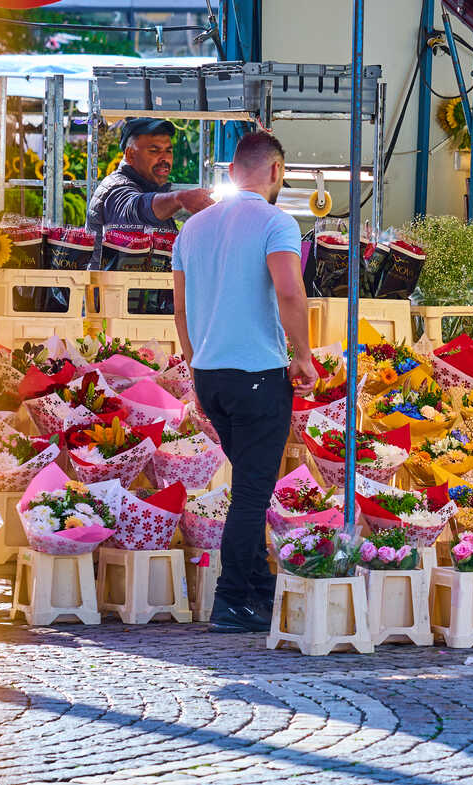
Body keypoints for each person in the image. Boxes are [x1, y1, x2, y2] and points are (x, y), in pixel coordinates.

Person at [172, 131, 319, 633]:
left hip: (211, 377)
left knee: (251, 484)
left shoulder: (192, 228)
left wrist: (194, 364)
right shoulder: (278, 222)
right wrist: (303, 356)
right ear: (276, 172)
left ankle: (258, 589)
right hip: (258, 375)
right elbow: (290, 293)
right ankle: (231, 599)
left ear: (232, 172)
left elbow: (180, 307)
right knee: (253, 492)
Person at [85, 117, 215, 266]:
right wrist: (179, 198)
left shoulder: (152, 188)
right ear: (131, 154)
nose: (165, 159)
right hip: (117, 288)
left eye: (169, 151)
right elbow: (135, 208)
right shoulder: (115, 189)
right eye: (154, 151)